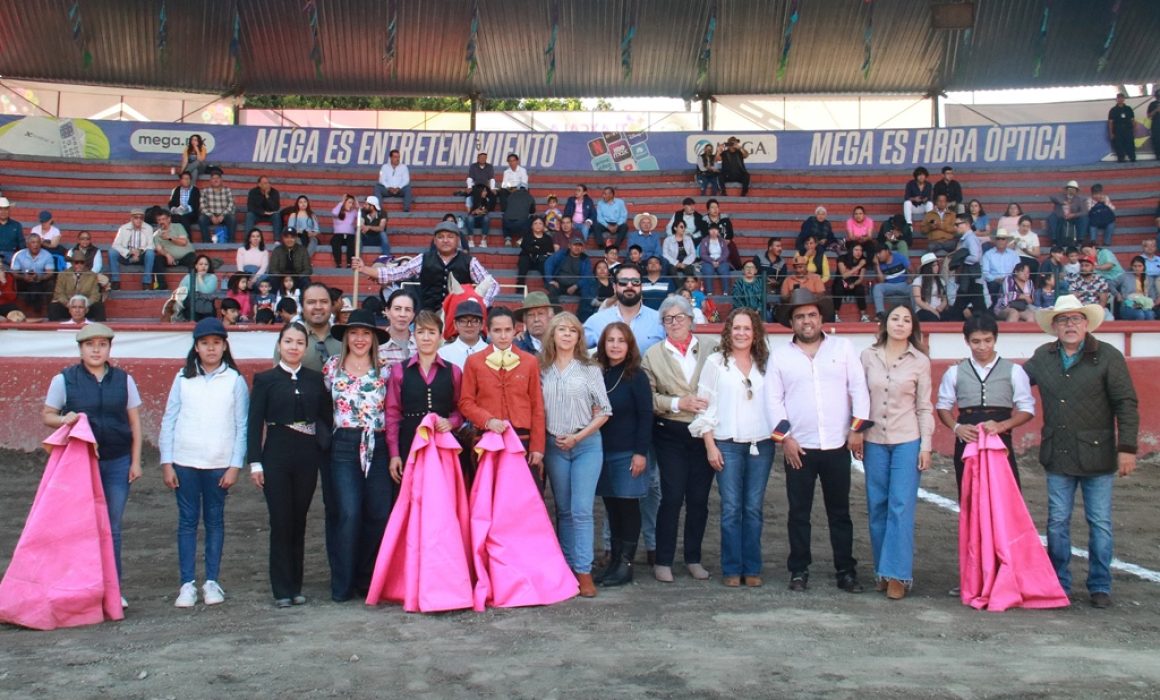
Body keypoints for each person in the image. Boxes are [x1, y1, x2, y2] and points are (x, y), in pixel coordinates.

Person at [1024, 295, 1138, 608]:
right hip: (1058, 453)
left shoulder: (1109, 356)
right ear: (1055, 327)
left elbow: (1126, 404)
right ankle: (1058, 582)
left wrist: (1127, 449)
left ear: (1086, 324)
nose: (1070, 325)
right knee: (1057, 522)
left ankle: (1100, 585)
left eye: (1075, 319)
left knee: (1099, 522)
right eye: (1063, 320)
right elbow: (1014, 383)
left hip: (1098, 454)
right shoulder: (1043, 356)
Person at [764, 288, 871, 594]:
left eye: (811, 314)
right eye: (800, 316)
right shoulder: (780, 356)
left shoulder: (843, 348)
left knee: (840, 512)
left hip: (837, 445)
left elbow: (859, 389)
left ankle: (846, 571)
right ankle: (799, 570)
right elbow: (772, 400)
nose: (806, 321)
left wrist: (857, 429)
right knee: (799, 513)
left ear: (821, 318)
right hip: (799, 448)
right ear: (791, 322)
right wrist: (785, 439)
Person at [41, 323, 142, 608]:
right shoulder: (64, 379)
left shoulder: (124, 380)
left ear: (109, 348)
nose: (96, 350)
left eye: (102, 345)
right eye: (90, 345)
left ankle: (112, 589)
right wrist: (64, 419)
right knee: (80, 525)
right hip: (80, 464)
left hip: (118, 460)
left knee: (112, 527)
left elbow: (134, 423)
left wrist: (136, 461)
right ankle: (80, 587)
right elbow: (47, 415)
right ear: (80, 349)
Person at [159, 318, 249, 608]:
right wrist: (167, 461)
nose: (211, 348)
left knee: (214, 520)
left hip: (218, 463)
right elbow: (170, 419)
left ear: (224, 346)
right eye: (205, 343)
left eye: (216, 343)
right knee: (187, 521)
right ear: (196, 347)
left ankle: (211, 581)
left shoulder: (234, 380)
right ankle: (187, 583)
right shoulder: (182, 378)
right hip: (185, 460)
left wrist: (235, 465)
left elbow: (242, 425)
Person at [248, 322, 331, 607]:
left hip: (307, 455)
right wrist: (255, 463)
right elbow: (254, 424)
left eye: (299, 343)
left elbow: (325, 418)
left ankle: (296, 585)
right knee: (281, 520)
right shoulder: (265, 380)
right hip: (276, 454)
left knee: (299, 519)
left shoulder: (315, 379)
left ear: (306, 348)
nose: (294, 347)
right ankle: (281, 588)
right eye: (288, 341)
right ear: (279, 345)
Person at [690, 308, 773, 588]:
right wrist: (710, 445)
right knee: (731, 508)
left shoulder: (766, 363)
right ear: (728, 331)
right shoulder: (716, 362)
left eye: (747, 328)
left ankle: (752, 567)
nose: (741, 333)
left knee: (753, 508)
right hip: (726, 444)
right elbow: (703, 406)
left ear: (755, 332)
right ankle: (731, 568)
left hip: (761, 444)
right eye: (736, 328)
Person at [641, 295, 717, 583]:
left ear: (691, 319)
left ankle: (693, 558)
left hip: (704, 432)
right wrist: (677, 403)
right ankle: (663, 559)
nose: (674, 323)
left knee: (699, 498)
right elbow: (649, 397)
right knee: (671, 496)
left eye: (679, 317)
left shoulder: (711, 348)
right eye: (668, 319)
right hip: (670, 432)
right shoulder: (653, 354)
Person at [859, 304, 933, 600]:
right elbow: (859, 398)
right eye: (895, 318)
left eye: (906, 320)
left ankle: (898, 574)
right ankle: (882, 570)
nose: (900, 324)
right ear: (885, 323)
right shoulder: (868, 356)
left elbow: (924, 406)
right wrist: (856, 432)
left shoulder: (920, 361)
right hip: (874, 438)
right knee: (877, 504)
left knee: (900, 506)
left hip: (907, 439)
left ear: (913, 327)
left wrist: (926, 445)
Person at [539, 312, 612, 598]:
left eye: (573, 330)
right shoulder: (541, 368)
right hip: (554, 445)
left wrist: (578, 437)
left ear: (579, 337)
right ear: (553, 334)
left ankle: (583, 570)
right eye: (562, 329)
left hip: (585, 443)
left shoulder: (590, 368)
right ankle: (566, 568)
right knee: (564, 509)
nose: (567, 334)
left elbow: (604, 411)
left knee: (582, 509)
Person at [321, 308, 392, 602]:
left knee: (379, 512)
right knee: (348, 512)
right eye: (354, 333)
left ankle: (366, 577)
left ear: (373, 338)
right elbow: (323, 406)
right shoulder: (331, 367)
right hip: (344, 445)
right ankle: (343, 582)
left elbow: (392, 409)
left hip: (378, 443)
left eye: (365, 333)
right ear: (346, 337)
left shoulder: (385, 369)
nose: (360, 339)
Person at [935, 314, 1035, 494]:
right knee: (970, 492)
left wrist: (1002, 425)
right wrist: (957, 427)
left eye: (987, 340)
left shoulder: (1014, 371)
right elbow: (943, 406)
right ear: (967, 341)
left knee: (1004, 494)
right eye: (976, 341)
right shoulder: (955, 371)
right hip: (967, 438)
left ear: (995, 339)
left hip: (1000, 438)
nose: (982, 347)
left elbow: (1027, 409)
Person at [459, 307, 547, 490]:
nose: (503, 336)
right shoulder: (474, 361)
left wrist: (538, 447)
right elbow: (465, 402)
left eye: (507, 330)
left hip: (522, 438)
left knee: (524, 495)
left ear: (515, 330)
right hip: (487, 437)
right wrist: (487, 420)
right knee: (488, 493)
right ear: (488, 331)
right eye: (497, 330)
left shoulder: (529, 361)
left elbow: (537, 406)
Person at [593, 322, 652, 587]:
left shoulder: (636, 376)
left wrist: (640, 452)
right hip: (601, 452)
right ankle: (614, 561)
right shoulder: (598, 374)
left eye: (621, 341)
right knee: (612, 509)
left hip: (628, 453)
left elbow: (646, 416)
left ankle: (626, 565)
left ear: (629, 346)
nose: (615, 345)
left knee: (627, 507)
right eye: (610, 340)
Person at [386, 310, 465, 481]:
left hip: (443, 443)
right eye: (421, 332)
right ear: (414, 335)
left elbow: (460, 409)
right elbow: (392, 413)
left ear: (440, 336)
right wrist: (394, 454)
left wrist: (451, 422)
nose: (426, 338)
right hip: (409, 442)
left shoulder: (454, 371)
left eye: (431, 332)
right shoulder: (399, 370)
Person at [354, 221, 498, 313]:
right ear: (435, 241)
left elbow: (492, 284)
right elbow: (397, 273)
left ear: (458, 240)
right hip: (429, 317)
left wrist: (480, 305)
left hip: (458, 316)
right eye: (440, 237)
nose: (445, 240)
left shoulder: (470, 261)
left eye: (450, 236)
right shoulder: (423, 259)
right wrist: (364, 268)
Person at [583, 262, 665, 350]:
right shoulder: (596, 321)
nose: (629, 286)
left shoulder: (659, 321)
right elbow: (576, 348)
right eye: (623, 282)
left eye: (635, 281)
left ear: (641, 286)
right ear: (614, 287)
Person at [48, 248, 105, 321]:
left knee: (99, 306)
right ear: (72, 263)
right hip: (67, 306)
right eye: (76, 262)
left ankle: (100, 327)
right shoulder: (63, 275)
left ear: (85, 263)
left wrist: (85, 304)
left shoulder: (92, 275)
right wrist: (68, 304)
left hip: (85, 307)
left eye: (82, 262)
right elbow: (59, 293)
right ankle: (53, 327)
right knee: (53, 306)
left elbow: (95, 294)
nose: (79, 265)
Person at [108, 208, 156, 291]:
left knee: (150, 253)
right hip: (127, 255)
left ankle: (146, 283)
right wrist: (129, 252)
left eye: (141, 218)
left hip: (142, 255)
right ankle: (116, 281)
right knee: (112, 252)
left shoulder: (149, 228)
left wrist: (140, 251)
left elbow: (151, 245)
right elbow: (115, 245)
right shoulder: (123, 228)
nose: (139, 220)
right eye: (136, 217)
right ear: (131, 218)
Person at [950, 213, 987, 319]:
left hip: (971, 278)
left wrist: (961, 260)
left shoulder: (970, 238)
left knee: (959, 308)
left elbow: (975, 257)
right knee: (979, 308)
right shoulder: (968, 238)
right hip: (970, 278)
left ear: (966, 224)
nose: (955, 227)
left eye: (957, 224)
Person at [152, 209, 196, 290]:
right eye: (159, 220)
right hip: (170, 259)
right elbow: (159, 249)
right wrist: (167, 255)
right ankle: (162, 286)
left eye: (163, 219)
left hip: (185, 256)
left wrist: (170, 238)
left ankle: (193, 286)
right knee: (157, 259)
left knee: (193, 259)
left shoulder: (178, 226)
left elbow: (183, 242)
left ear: (169, 219)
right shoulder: (156, 235)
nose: (161, 222)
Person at [438, 299, 489, 369]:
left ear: (482, 324)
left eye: (475, 321)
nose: (469, 325)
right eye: (463, 321)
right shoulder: (443, 354)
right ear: (455, 324)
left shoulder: (492, 353)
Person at [544, 235, 591, 305]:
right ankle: (556, 310)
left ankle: (584, 311)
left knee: (587, 289)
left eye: (579, 245)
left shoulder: (585, 259)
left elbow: (587, 276)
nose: (577, 247)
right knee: (551, 288)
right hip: (559, 284)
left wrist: (576, 286)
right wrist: (550, 280)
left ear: (582, 248)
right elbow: (548, 263)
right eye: (575, 245)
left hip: (575, 286)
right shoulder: (562, 254)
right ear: (569, 246)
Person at [379, 289, 417, 370]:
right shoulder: (377, 345)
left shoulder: (421, 343)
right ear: (387, 311)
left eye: (408, 309)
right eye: (397, 309)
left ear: (413, 314)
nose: (402, 314)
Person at [514, 291, 560, 355]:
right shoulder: (515, 347)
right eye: (531, 315)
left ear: (550, 317)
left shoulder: (560, 343)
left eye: (540, 314)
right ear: (525, 320)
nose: (536, 319)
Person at [197, 168, 236, 244]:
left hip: (224, 215)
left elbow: (231, 204)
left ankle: (230, 242)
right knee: (201, 219)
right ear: (210, 180)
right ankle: (207, 243)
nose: (215, 180)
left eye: (217, 178)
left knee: (232, 218)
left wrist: (223, 215)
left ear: (221, 180)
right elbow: (202, 206)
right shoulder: (205, 191)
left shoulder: (227, 190)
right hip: (210, 215)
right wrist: (211, 216)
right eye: (213, 178)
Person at [176, 254, 218, 322]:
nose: (203, 266)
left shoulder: (212, 277)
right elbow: (180, 292)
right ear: (196, 266)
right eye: (201, 264)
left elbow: (206, 291)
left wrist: (199, 277)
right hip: (191, 306)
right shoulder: (188, 277)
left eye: (206, 264)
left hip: (206, 306)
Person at [872, 245, 910, 319]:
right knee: (877, 287)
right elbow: (881, 281)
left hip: (903, 284)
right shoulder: (878, 263)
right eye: (876, 254)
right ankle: (880, 314)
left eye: (880, 252)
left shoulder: (899, 257)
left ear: (887, 251)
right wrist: (877, 265)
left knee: (913, 287)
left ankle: (917, 313)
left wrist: (911, 279)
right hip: (888, 285)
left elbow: (911, 269)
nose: (878, 256)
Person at [1113, 256, 1157, 321]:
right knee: (1140, 314)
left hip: (1144, 306)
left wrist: (1146, 303)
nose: (1137, 268)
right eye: (1135, 266)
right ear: (1131, 266)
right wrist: (1117, 294)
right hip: (1128, 305)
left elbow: (1153, 296)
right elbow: (1111, 284)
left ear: (1144, 267)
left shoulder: (1149, 279)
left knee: (1150, 314)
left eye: (1140, 266)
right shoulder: (1125, 276)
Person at [1047, 180, 1089, 247]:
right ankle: (1054, 240)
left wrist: (1074, 215)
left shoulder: (1080, 199)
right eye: (1070, 188)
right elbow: (1052, 197)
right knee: (1052, 217)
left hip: (1074, 219)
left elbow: (1084, 212)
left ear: (1076, 191)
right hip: (1061, 217)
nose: (1071, 190)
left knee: (1084, 218)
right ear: (1066, 189)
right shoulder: (1060, 196)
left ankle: (1080, 240)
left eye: (1073, 189)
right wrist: (1063, 202)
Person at [834, 243, 869, 323]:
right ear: (851, 251)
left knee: (860, 289)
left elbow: (860, 278)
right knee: (838, 288)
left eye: (860, 250)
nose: (859, 252)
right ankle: (835, 315)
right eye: (856, 250)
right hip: (842, 282)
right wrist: (859, 266)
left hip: (854, 283)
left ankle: (863, 315)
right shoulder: (842, 258)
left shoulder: (863, 261)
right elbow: (844, 275)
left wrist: (854, 284)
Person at [912, 252, 952, 322]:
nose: (937, 267)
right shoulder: (918, 280)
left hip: (938, 309)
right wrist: (933, 311)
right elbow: (918, 301)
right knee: (932, 318)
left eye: (937, 265)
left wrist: (941, 306)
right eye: (934, 266)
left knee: (951, 316)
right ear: (927, 268)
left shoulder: (941, 281)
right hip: (923, 309)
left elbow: (944, 299)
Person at [982, 229, 1021, 299]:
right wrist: (995, 279)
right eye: (998, 239)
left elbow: (1019, 270)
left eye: (1003, 239)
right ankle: (995, 305)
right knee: (993, 285)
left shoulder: (1014, 254)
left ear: (1007, 241)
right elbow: (985, 273)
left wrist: (1008, 279)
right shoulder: (988, 254)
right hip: (994, 282)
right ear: (995, 241)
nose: (1000, 241)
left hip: (1011, 281)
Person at [516, 216, 554, 289]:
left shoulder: (548, 238)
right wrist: (538, 249)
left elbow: (549, 251)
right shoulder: (527, 237)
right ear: (532, 226)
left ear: (543, 226)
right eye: (535, 223)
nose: (538, 225)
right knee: (524, 259)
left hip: (541, 261)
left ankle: (548, 285)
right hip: (528, 260)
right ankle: (520, 286)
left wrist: (534, 248)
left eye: (540, 223)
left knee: (545, 261)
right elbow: (526, 248)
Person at [700, 223, 732, 296]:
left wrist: (718, 261)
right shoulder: (704, 241)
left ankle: (726, 292)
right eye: (711, 229)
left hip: (721, 261)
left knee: (724, 270)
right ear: (709, 231)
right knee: (708, 271)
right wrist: (712, 261)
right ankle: (709, 292)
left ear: (718, 231)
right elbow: (703, 254)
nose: (714, 231)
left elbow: (726, 253)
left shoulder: (722, 241)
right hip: (708, 261)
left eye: (715, 229)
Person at [330, 195, 359, 268]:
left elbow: (360, 216)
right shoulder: (338, 211)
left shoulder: (354, 212)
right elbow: (334, 213)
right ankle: (338, 263)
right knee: (335, 242)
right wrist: (341, 202)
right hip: (338, 235)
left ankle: (349, 263)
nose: (351, 205)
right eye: (349, 202)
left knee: (352, 243)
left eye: (352, 203)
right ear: (344, 202)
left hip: (350, 235)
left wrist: (357, 206)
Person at [1107, 93, 1137, 163]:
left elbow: (1132, 120)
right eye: (1119, 98)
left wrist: (1134, 130)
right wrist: (1111, 133)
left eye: (1121, 98)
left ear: (1124, 99)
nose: (1120, 99)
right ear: (1116, 99)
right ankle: (1121, 158)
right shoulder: (1113, 110)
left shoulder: (1128, 109)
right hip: (1118, 129)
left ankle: (1132, 157)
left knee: (1130, 143)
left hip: (1128, 129)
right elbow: (1110, 122)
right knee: (1119, 144)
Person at [466, 184, 497, 248]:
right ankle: (471, 241)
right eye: (484, 191)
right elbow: (469, 213)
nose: (486, 193)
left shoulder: (487, 199)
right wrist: (474, 212)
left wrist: (483, 212)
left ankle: (483, 241)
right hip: (473, 220)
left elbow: (488, 210)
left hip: (482, 220)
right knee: (470, 218)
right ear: (479, 191)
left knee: (486, 218)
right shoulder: (470, 199)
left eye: (486, 191)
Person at [1149, 88, 1160, 161]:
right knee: (1156, 140)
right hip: (1156, 124)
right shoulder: (1152, 104)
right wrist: (1156, 110)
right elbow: (1149, 115)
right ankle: (1158, 155)